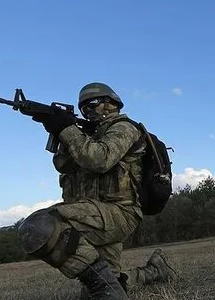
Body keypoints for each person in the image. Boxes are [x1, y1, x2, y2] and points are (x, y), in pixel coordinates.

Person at [15, 82, 176, 300]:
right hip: (95, 213)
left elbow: (99, 159)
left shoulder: (125, 128)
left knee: (40, 226)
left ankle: (107, 290)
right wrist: (59, 128)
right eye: (83, 108)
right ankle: (156, 270)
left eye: (92, 103)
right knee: (104, 286)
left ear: (111, 103)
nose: (87, 110)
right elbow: (63, 164)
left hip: (119, 213)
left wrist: (66, 128)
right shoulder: (87, 136)